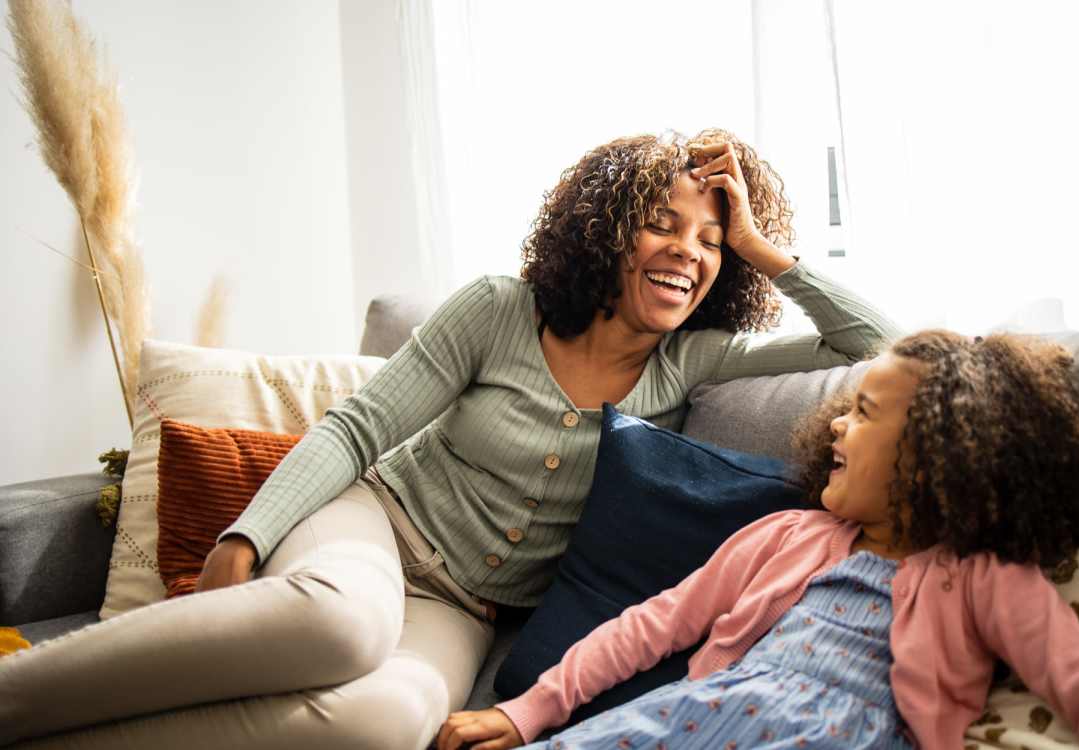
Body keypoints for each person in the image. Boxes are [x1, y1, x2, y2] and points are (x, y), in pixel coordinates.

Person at [0, 130, 900, 749]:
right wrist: (248, 533)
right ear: (605, 229)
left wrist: (760, 243)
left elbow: (878, 345)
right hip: (374, 526)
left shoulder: (693, 363)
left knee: (384, 725)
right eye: (662, 222)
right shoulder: (501, 310)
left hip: (461, 609)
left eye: (710, 241)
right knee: (341, 624)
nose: (687, 251)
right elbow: (359, 428)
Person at [436, 331, 1079, 750]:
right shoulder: (786, 535)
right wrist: (526, 711)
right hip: (701, 715)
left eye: (864, 414)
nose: (836, 424)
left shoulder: (980, 577)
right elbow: (651, 627)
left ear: (941, 452)